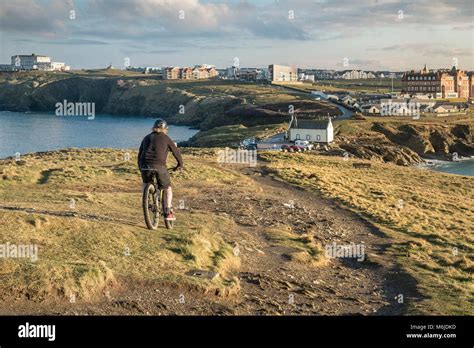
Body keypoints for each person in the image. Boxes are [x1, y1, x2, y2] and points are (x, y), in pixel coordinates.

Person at [138, 118, 184, 221]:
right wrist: (180, 164)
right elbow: (176, 152)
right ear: (165, 129)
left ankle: (147, 201)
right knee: (167, 188)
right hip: (159, 167)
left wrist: (141, 167)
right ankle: (168, 212)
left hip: (145, 166)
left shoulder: (146, 138)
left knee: (146, 183)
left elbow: (140, 154)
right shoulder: (166, 138)